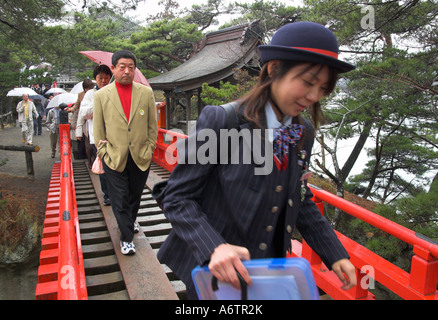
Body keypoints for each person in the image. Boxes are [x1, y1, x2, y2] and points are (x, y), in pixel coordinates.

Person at [157, 21, 358, 299]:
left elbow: (298, 196)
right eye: (308, 82)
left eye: (323, 88)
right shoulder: (224, 121)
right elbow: (177, 197)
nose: (313, 97)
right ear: (274, 69)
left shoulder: (301, 132)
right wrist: (215, 247)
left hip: (267, 269)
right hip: (215, 269)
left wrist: (334, 254)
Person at [94, 50, 158, 255]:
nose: (127, 71)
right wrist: (103, 152)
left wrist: (149, 148)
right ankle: (127, 238)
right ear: (113, 69)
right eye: (122, 66)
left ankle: (128, 222)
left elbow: (152, 126)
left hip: (140, 155)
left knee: (134, 195)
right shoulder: (101, 95)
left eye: (131, 67)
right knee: (119, 197)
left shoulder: (145, 92)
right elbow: (98, 129)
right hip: (114, 155)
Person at [76, 66, 112, 205]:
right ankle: (107, 194)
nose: (103, 81)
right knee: (104, 164)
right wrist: (99, 103)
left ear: (110, 78)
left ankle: (116, 192)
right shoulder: (91, 94)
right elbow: (84, 113)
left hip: (114, 136)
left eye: (106, 78)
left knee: (115, 165)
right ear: (95, 79)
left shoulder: (114, 91)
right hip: (98, 136)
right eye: (100, 78)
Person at [66, 79, 95, 160]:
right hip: (84, 117)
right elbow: (77, 106)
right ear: (85, 88)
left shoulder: (96, 92)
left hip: (92, 117)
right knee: (86, 142)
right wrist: (71, 109)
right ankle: (88, 159)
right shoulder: (81, 95)